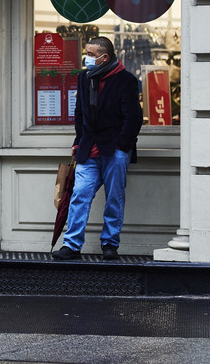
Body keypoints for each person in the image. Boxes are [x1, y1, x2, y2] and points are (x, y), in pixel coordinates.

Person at [52, 36, 144, 261]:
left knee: (114, 197)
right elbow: (81, 113)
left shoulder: (125, 80)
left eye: (91, 54)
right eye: (87, 53)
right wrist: (78, 141)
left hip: (115, 150)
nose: (87, 58)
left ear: (104, 58)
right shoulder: (85, 78)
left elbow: (133, 118)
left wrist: (122, 147)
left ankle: (110, 244)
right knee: (79, 195)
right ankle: (72, 245)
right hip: (88, 149)